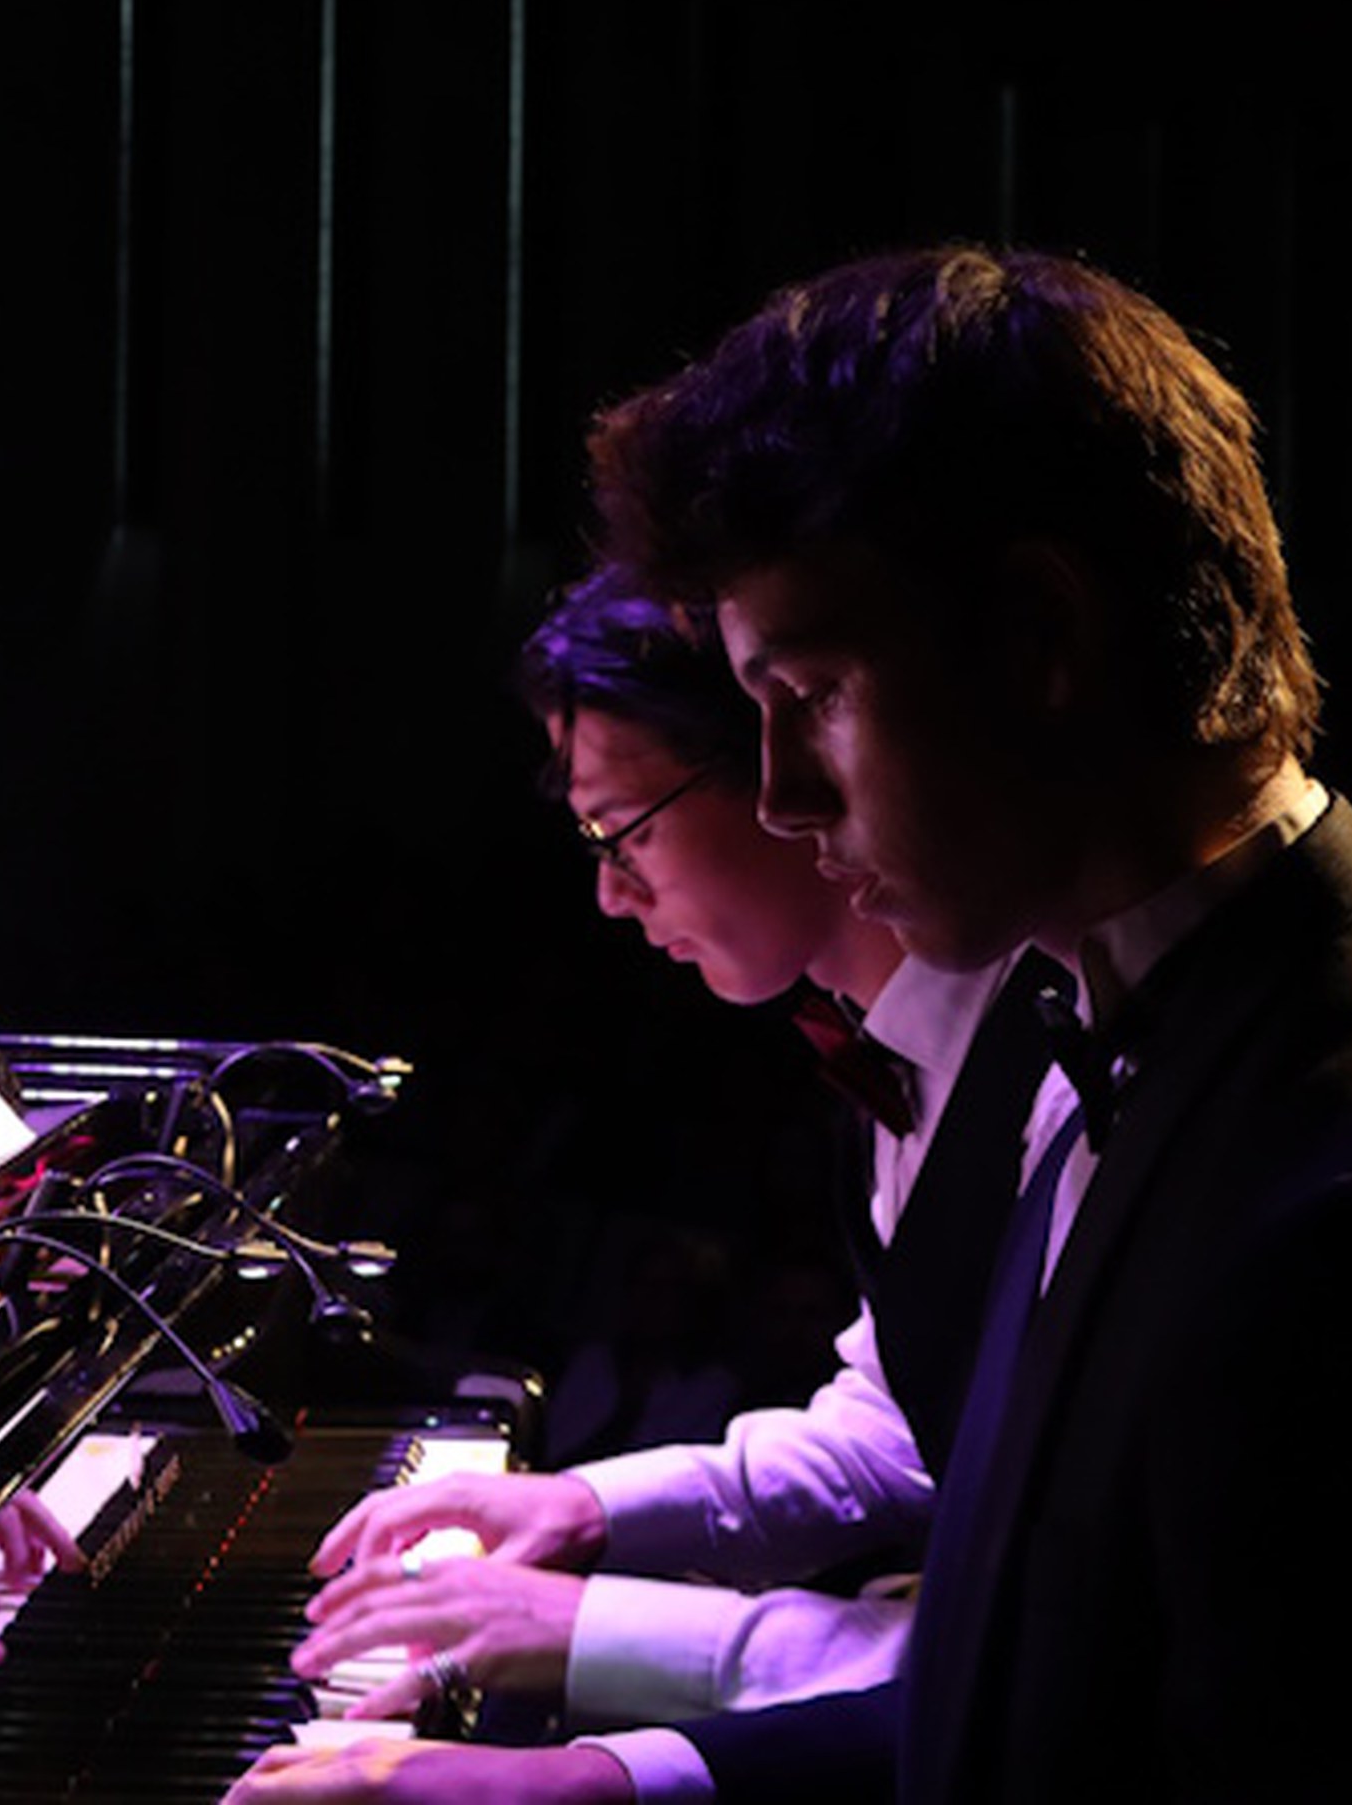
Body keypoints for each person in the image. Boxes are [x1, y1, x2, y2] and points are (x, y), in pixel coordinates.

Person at [560, 243, 1352, 1802]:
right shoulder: (1143, 1025)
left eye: (811, 696)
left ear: (1038, 638)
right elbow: (1049, 1694)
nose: (781, 795)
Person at [247, 568, 1055, 1797]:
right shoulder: (898, 1049)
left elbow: (1055, 1680)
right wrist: (583, 1507)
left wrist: (592, 1646)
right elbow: (901, 1432)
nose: (609, 895)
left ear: (785, 768)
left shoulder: (1047, 1075)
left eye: (621, 831)